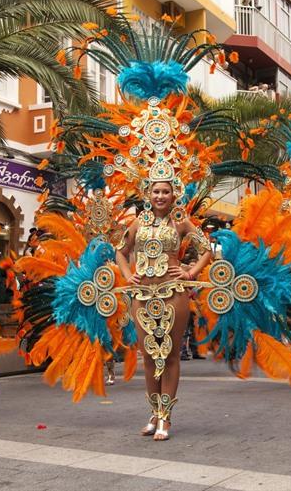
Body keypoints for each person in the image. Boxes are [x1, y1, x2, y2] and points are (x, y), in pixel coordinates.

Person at [116, 180, 211, 441]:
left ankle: (165, 417)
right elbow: (121, 252)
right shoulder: (138, 222)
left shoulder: (181, 221)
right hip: (143, 295)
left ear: (173, 194)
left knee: (169, 355)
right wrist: (127, 275)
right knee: (147, 356)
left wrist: (189, 271)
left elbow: (206, 250)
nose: (160, 196)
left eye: (165, 191)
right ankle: (153, 413)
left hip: (173, 294)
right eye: (156, 191)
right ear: (148, 194)